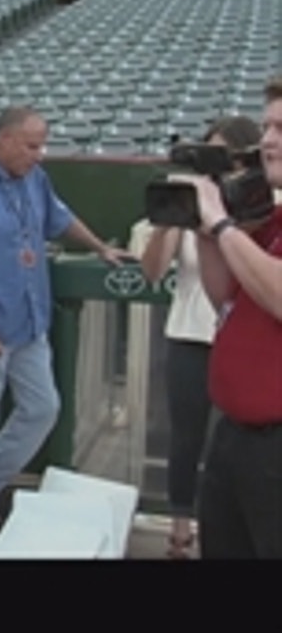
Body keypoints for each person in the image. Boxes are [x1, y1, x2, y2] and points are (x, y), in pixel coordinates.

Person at [0, 106, 133, 553]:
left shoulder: (33, 178)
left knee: (43, 408)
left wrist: (101, 247)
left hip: (27, 319)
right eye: (31, 145)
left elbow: (59, 218)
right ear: (2, 139)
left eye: (42, 145)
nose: (39, 155)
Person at [135, 116, 265, 559]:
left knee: (235, 447)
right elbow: (152, 273)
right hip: (190, 332)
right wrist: (177, 215)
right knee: (186, 437)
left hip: (244, 346)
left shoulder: (262, 207)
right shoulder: (199, 205)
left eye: (223, 160)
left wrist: (222, 218)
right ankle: (179, 529)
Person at [172, 77, 282, 559]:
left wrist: (221, 222)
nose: (269, 141)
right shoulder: (273, 221)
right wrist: (203, 228)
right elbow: (227, 301)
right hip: (235, 435)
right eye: (267, 126)